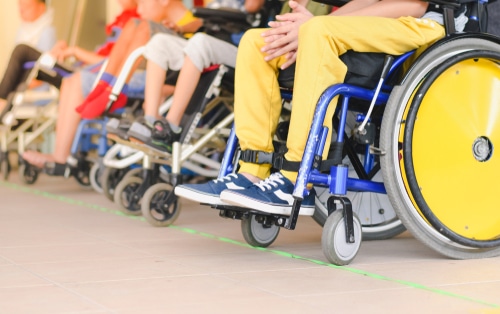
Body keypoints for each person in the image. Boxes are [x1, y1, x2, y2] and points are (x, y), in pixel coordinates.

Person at [174, 0, 451, 216]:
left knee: (317, 31)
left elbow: (413, 5)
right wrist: (305, 27)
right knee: (256, 42)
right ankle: (251, 171)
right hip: (377, 24)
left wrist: (313, 25)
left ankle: (296, 177)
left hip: (424, 24)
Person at [22, 0, 201, 170]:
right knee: (134, 24)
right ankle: (106, 88)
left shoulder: (199, 27)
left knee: (139, 25)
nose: (139, 9)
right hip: (142, 76)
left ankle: (112, 90)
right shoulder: (168, 28)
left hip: (149, 81)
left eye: (143, 2)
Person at [0, 0, 56, 115]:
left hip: (35, 92)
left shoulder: (47, 33)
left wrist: (15, 85)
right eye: (20, 6)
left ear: (41, 7)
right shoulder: (22, 30)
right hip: (19, 88)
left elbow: (43, 74)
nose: (21, 10)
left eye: (27, 6)